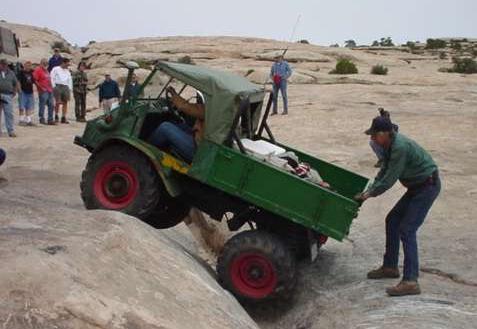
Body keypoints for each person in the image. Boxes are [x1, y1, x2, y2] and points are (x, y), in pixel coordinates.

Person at [355, 116, 440, 297]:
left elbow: (390, 178)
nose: (372, 139)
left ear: (385, 134)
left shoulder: (399, 147)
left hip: (427, 186)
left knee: (407, 229)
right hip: (416, 186)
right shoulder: (389, 146)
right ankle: (390, 267)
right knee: (392, 220)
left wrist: (369, 194)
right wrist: (369, 190)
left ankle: (411, 281)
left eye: (374, 136)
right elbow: (384, 170)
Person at [148, 86, 205, 162]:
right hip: (199, 139)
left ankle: (146, 148)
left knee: (165, 127)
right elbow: (191, 107)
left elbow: (185, 107)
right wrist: (176, 96)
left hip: (198, 150)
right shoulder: (215, 109)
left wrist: (174, 94)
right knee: (175, 123)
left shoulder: (211, 110)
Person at [33, 58, 56, 125]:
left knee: (51, 105)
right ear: (41, 63)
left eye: (47, 63)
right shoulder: (38, 70)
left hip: (49, 90)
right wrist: (41, 88)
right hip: (43, 91)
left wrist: (52, 88)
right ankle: (41, 118)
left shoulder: (46, 71)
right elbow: (35, 80)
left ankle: (50, 119)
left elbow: (49, 80)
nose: (46, 64)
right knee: (42, 105)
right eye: (44, 63)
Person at [0, 58, 19, 137]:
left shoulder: (11, 73)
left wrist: (15, 91)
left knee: (9, 113)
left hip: (8, 95)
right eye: (3, 64)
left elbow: (15, 82)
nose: (5, 66)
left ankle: (10, 130)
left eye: (6, 64)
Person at [50, 58, 72, 124]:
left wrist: (70, 88)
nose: (67, 65)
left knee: (65, 102)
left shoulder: (67, 71)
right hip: (58, 85)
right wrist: (53, 86)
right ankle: (56, 115)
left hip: (65, 86)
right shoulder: (55, 69)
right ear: (63, 63)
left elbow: (69, 79)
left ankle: (63, 117)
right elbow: (52, 77)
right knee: (58, 102)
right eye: (67, 64)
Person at [17, 61, 36, 126]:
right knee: (22, 106)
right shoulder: (21, 72)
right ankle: (21, 120)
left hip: (30, 91)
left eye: (30, 66)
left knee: (29, 106)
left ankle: (28, 120)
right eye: (27, 65)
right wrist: (19, 90)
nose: (29, 67)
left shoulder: (31, 72)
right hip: (23, 91)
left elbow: (33, 81)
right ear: (24, 66)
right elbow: (18, 81)